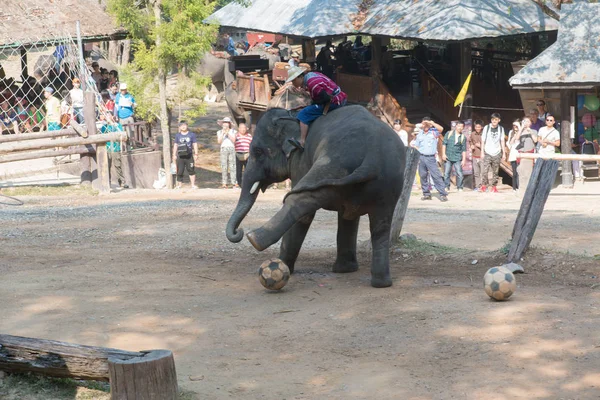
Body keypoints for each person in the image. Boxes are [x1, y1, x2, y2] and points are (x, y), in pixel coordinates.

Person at [285, 66, 347, 150]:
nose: (293, 83)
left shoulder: (312, 84)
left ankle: (302, 141)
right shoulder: (312, 75)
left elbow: (326, 98)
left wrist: (314, 104)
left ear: (299, 77)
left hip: (335, 101)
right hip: (338, 95)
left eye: (293, 80)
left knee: (303, 114)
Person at [414, 117, 448, 202]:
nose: (425, 125)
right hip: (421, 157)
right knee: (423, 176)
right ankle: (426, 194)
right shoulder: (419, 134)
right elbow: (416, 145)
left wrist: (431, 122)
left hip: (430, 157)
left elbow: (441, 129)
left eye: (427, 124)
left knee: (436, 176)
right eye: (423, 123)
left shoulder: (433, 132)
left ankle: (442, 194)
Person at [100, 114, 128, 189]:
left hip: (116, 148)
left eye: (109, 116)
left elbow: (121, 134)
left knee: (118, 165)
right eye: (107, 116)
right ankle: (107, 182)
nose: (108, 117)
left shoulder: (117, 126)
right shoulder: (104, 127)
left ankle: (122, 181)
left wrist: (114, 125)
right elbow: (101, 135)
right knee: (107, 166)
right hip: (107, 148)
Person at [480, 112, 506, 193]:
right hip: (487, 151)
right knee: (485, 170)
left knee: (496, 171)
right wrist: (482, 152)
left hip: (497, 152)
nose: (494, 121)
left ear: (499, 120)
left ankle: (494, 186)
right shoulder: (486, 128)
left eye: (496, 119)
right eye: (493, 119)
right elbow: (483, 140)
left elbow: (502, 141)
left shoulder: (501, 129)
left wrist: (504, 153)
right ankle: (484, 185)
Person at [172, 121, 199, 189]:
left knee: (191, 169)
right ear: (179, 127)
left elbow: (194, 144)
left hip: (189, 155)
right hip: (180, 156)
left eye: (184, 125)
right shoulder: (178, 135)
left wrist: (196, 154)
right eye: (181, 125)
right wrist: (174, 154)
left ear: (187, 126)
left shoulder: (191, 134)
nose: (183, 127)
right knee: (179, 171)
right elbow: (175, 145)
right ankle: (179, 185)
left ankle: (192, 185)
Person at [442, 120, 467, 192]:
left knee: (459, 173)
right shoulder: (449, 133)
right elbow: (444, 144)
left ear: (463, 128)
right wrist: (443, 154)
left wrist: (464, 159)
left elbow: (464, 149)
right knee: (446, 173)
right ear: (456, 126)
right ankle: (447, 186)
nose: (460, 127)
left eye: (461, 126)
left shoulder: (463, 137)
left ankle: (460, 187)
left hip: (457, 157)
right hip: (448, 156)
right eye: (458, 126)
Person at [217, 116, 237, 188]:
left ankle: (234, 182)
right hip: (223, 148)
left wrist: (228, 133)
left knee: (232, 165)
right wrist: (223, 133)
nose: (225, 124)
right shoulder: (219, 132)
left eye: (227, 123)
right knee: (224, 166)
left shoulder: (233, 131)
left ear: (229, 124)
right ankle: (224, 182)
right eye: (224, 123)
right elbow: (219, 141)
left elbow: (234, 140)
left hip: (231, 148)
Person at [469, 120, 484, 191]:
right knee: (476, 173)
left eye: (479, 127)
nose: (477, 128)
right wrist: (471, 145)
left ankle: (484, 186)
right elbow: (470, 141)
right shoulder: (472, 134)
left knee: (483, 172)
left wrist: (480, 145)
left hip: (482, 156)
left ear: (482, 127)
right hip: (474, 156)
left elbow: (487, 145)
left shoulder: (484, 134)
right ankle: (478, 186)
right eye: (476, 127)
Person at [507, 119, 522, 192]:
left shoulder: (522, 132)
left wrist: (519, 129)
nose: (515, 127)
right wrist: (514, 136)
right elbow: (510, 143)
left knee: (520, 171)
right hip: (513, 153)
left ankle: (520, 186)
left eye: (516, 125)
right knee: (514, 172)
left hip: (520, 153)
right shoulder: (511, 132)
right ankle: (514, 187)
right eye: (514, 126)